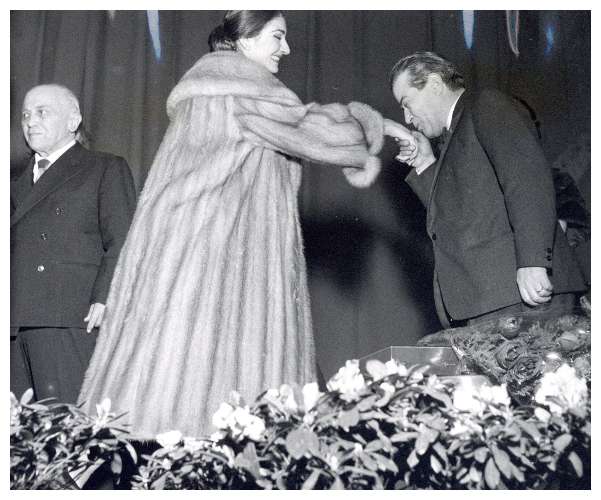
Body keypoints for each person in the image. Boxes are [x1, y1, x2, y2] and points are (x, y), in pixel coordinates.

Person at [78, 10, 413, 438]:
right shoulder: (238, 88)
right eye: (277, 36)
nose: (286, 49)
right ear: (245, 39)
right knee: (217, 406)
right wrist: (379, 126)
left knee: (171, 396)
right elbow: (311, 128)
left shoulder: (210, 91)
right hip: (215, 265)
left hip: (188, 257)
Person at [387, 51, 586, 328]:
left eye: (407, 104)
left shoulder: (485, 104)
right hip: (495, 298)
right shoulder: (456, 133)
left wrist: (533, 262)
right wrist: (425, 163)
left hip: (521, 293)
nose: (407, 118)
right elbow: (458, 217)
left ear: (434, 84)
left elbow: (527, 179)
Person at [10, 84, 136, 404]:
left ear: (73, 120)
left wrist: (107, 296)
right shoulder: (13, 183)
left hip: (67, 315)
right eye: (26, 114)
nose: (31, 121)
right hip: (13, 321)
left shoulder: (104, 167)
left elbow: (124, 239)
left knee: (64, 421)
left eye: (42, 112)